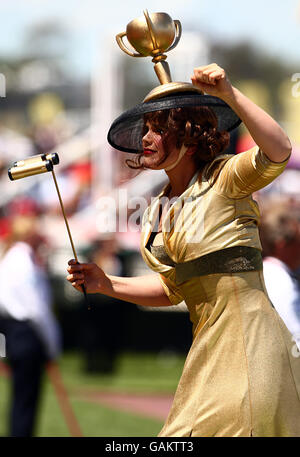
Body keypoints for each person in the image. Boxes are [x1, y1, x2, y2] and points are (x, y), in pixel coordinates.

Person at [67, 63, 300, 437]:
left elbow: (279, 150)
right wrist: (106, 283)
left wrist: (228, 93)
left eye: (159, 129)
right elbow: (172, 289)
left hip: (252, 349)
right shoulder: (154, 212)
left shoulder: (226, 178)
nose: (146, 137)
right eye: (146, 129)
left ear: (190, 138)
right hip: (207, 351)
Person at [0, 198, 61, 437]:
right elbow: (37, 308)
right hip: (27, 334)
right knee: (26, 400)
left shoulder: (12, 256)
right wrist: (52, 343)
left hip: (15, 334)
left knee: (21, 399)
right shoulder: (23, 258)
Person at [260, 204, 300, 351]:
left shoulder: (267, 272)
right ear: (281, 245)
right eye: (297, 240)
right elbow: (296, 339)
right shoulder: (279, 280)